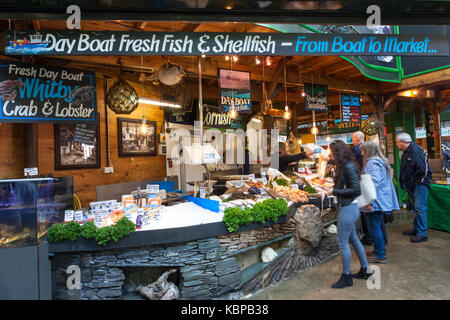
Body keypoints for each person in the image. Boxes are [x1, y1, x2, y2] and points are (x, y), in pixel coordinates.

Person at [327, 140, 371, 289]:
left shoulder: (348, 167)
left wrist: (333, 191)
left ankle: (346, 277)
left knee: (343, 243)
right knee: (354, 239)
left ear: (338, 153)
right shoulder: (345, 165)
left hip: (348, 209)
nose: (331, 155)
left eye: (332, 153)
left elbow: (356, 190)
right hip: (348, 208)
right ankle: (364, 269)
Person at [360, 141, 400, 263]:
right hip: (381, 199)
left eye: (362, 151)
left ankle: (380, 254)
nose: (361, 153)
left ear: (367, 151)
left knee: (375, 226)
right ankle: (379, 249)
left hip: (376, 200)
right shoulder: (381, 160)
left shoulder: (372, 162)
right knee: (377, 224)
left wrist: (368, 201)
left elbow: (373, 183)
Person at [396, 132, 432, 243]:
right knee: (417, 208)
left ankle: (422, 233)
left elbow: (422, 170)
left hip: (419, 185)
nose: (396, 144)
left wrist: (416, 182)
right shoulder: (407, 151)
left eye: (397, 142)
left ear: (402, 142)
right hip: (413, 186)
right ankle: (417, 229)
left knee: (420, 209)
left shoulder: (416, 151)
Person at [351, 131, 374, 246]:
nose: (352, 141)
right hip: (367, 181)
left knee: (366, 211)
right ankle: (373, 236)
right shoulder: (369, 148)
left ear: (357, 139)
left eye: (352, 139)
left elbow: (347, 160)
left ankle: (369, 237)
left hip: (363, 180)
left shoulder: (356, 149)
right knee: (371, 213)